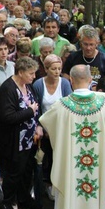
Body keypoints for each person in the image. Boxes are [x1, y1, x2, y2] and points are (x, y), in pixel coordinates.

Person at [39, 65, 105, 209]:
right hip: (96, 166)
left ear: (71, 81)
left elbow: (45, 122)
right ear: (91, 80)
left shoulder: (61, 105)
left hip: (71, 165)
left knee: (70, 185)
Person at [0, 57, 40, 209]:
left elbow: (36, 107)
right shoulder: (8, 89)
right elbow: (7, 117)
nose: (34, 76)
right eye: (31, 73)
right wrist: (29, 111)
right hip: (13, 141)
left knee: (26, 170)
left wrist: (37, 125)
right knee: (13, 172)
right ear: (20, 72)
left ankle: (23, 197)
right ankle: (7, 201)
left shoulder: (29, 86)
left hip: (28, 139)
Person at [33, 54, 73, 199]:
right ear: (46, 69)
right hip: (44, 128)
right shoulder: (38, 84)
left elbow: (69, 106)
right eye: (53, 69)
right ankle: (42, 185)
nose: (57, 72)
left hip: (61, 128)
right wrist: (40, 127)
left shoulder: (65, 84)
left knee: (59, 158)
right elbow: (36, 109)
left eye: (59, 69)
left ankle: (57, 185)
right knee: (42, 157)